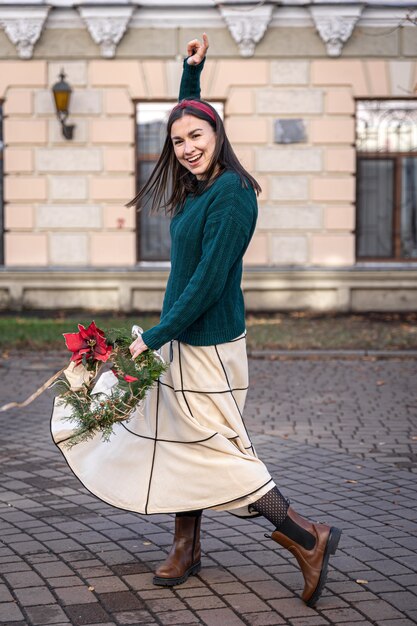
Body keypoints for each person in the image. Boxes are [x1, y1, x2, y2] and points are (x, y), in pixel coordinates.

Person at [125, 34, 342, 607]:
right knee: (185, 442)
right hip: (186, 339)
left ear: (220, 135)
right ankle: (187, 545)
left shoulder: (232, 195)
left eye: (198, 135)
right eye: (178, 141)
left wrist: (156, 335)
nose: (187, 147)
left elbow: (209, 283)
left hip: (209, 346)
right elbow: (186, 115)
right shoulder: (199, 188)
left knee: (221, 456)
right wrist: (191, 77)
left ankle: (307, 537)